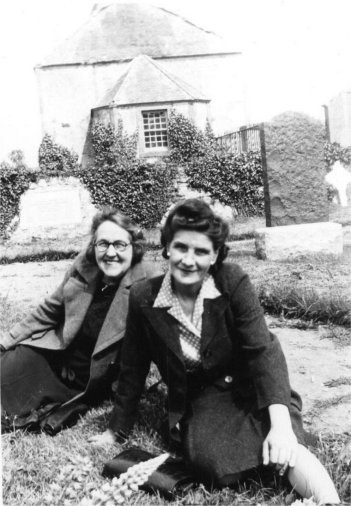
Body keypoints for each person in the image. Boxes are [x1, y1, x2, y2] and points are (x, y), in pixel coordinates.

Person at [90, 198, 340, 504]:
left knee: (288, 444)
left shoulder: (232, 281)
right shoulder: (144, 297)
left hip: (249, 387)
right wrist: (116, 430)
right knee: (212, 463)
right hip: (200, 399)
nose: (189, 260)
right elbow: (133, 368)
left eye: (201, 251)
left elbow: (263, 351)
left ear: (216, 254)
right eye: (181, 247)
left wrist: (281, 424)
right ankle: (269, 459)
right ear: (167, 246)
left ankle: (328, 500)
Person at [1, 207, 158, 433]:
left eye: (120, 245)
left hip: (87, 378)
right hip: (54, 355)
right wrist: (5, 341)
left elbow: (152, 349)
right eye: (103, 244)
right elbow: (50, 310)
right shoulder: (84, 266)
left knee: (13, 404)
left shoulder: (148, 280)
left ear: (135, 246)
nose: (110, 252)